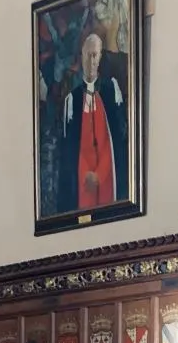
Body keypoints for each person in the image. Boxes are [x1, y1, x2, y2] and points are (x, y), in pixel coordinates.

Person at [55, 31, 129, 212]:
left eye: (94, 55)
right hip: (83, 179)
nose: (90, 61)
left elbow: (118, 141)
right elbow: (70, 150)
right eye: (87, 55)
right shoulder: (71, 99)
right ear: (81, 57)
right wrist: (86, 174)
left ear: (100, 57)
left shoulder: (112, 90)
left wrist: (100, 174)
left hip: (106, 175)